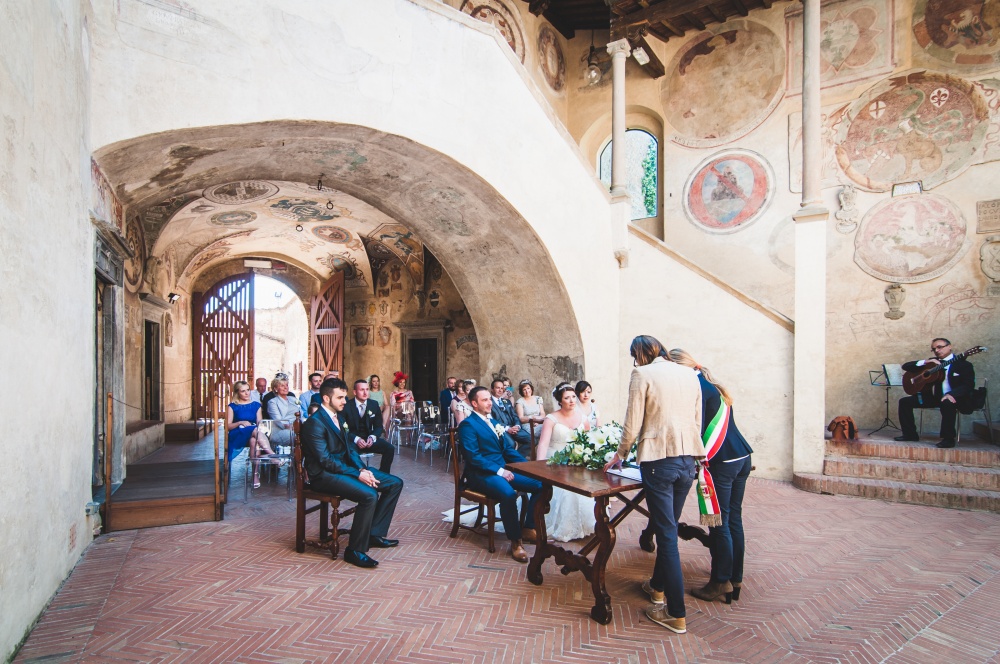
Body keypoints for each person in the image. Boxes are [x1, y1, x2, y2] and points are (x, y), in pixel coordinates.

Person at [605, 335, 703, 635]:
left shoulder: (642, 373)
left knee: (667, 535)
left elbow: (632, 421)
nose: (634, 362)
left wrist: (619, 455)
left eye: (634, 356)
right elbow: (697, 418)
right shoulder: (689, 373)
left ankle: (676, 614)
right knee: (669, 526)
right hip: (688, 459)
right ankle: (657, 588)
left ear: (640, 354)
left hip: (658, 461)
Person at [667, 349, 753, 604]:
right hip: (742, 456)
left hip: (722, 462)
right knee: (733, 518)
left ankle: (720, 581)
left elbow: (694, 428)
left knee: (719, 522)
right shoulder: (710, 384)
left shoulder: (695, 388)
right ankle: (735, 577)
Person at [300, 378, 404, 569]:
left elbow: (350, 449)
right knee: (369, 495)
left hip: (345, 469)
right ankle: (354, 551)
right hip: (323, 476)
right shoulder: (314, 424)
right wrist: (357, 474)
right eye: (339, 397)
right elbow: (325, 461)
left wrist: (362, 469)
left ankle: (373, 533)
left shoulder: (338, 417)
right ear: (325, 398)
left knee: (395, 483)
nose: (343, 401)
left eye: (344, 397)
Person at [458, 386, 542, 562]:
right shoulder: (467, 425)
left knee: (540, 485)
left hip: (502, 470)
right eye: (484, 400)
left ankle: (528, 527)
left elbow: (506, 450)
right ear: (474, 403)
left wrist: (529, 467)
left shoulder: (495, 423)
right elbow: (473, 457)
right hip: (480, 474)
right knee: (508, 494)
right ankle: (516, 541)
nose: (489, 403)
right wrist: (500, 471)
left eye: (490, 399)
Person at [535, 384, 596, 542]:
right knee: (565, 490)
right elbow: (543, 444)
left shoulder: (583, 418)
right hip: (554, 460)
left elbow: (589, 442)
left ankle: (585, 524)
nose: (571, 400)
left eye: (573, 397)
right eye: (567, 398)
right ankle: (561, 526)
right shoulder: (551, 419)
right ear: (560, 401)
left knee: (583, 486)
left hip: (576, 461)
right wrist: (539, 467)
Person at [895, 338, 976, 448]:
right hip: (933, 398)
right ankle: (910, 434)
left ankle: (948, 439)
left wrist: (951, 394)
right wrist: (926, 362)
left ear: (949, 346)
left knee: (947, 403)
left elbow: (968, 385)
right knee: (905, 402)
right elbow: (906, 366)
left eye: (940, 347)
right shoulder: (932, 363)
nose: (937, 350)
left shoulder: (963, 365)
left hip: (954, 398)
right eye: (934, 349)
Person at [226, 380, 278, 488]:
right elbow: (227, 426)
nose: (246, 393)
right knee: (254, 430)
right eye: (243, 391)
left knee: (254, 441)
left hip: (254, 433)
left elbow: (260, 423)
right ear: (237, 393)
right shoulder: (232, 406)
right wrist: (240, 422)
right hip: (238, 433)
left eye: (248, 390)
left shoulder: (256, 405)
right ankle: (271, 454)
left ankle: (255, 476)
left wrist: (261, 428)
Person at [343, 378, 395, 473]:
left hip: (369, 440)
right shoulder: (346, 406)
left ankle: (383, 474)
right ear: (355, 392)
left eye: (367, 389)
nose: (365, 392)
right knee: (350, 451)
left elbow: (378, 426)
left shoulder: (373, 404)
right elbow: (343, 429)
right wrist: (356, 439)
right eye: (362, 390)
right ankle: (360, 475)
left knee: (389, 448)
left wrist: (372, 437)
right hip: (353, 441)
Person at [489, 379, 532, 457]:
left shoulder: (506, 401)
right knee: (511, 444)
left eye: (502, 388)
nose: (500, 390)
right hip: (501, 430)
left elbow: (515, 416)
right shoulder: (489, 402)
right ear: (492, 389)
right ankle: (513, 460)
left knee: (531, 440)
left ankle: (515, 459)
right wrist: (508, 428)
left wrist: (517, 426)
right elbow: (491, 420)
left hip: (514, 428)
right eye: (497, 388)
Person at [266, 377, 299, 448]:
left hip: (298, 427)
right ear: (275, 389)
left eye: (286, 385)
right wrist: (292, 427)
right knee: (299, 435)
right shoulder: (272, 402)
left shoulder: (294, 399)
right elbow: (278, 420)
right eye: (282, 386)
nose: (285, 388)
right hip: (282, 430)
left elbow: (301, 413)